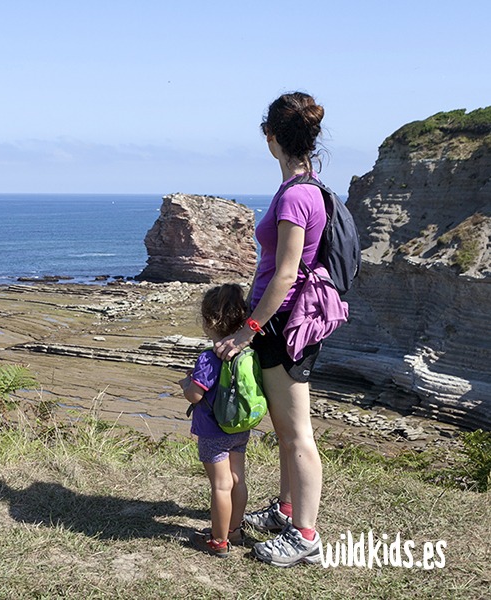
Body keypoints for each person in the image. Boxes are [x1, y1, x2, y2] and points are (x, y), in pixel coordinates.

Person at [213, 91, 328, 567]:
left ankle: (305, 534)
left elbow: (285, 273)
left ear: (272, 138)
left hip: (283, 324)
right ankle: (285, 510)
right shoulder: (307, 187)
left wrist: (248, 330)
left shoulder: (297, 195)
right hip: (281, 321)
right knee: (284, 429)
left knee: (297, 432)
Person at [179, 283, 250, 558]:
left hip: (213, 431)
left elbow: (195, 396)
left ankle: (218, 541)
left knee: (221, 484)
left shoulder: (209, 359)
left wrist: (187, 381)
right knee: (237, 479)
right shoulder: (245, 353)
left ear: (209, 322)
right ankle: (234, 530)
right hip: (240, 428)